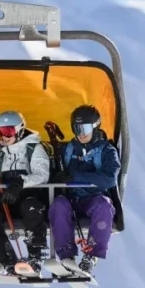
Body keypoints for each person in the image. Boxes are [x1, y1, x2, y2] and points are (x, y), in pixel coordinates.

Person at [49, 104, 120, 276]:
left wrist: (75, 177)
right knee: (58, 205)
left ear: (95, 127)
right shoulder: (68, 149)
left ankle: (91, 256)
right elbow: (54, 172)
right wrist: (57, 177)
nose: (80, 134)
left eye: (85, 129)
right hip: (71, 199)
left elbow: (109, 178)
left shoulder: (106, 150)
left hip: (92, 199)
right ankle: (67, 256)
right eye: (76, 128)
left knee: (104, 205)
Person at [0, 111, 50, 275]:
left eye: (8, 131)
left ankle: (35, 257)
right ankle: (5, 261)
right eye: (0, 131)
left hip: (28, 195)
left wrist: (20, 183)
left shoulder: (34, 148)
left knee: (32, 208)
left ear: (20, 130)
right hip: (6, 199)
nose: (3, 136)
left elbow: (42, 174)